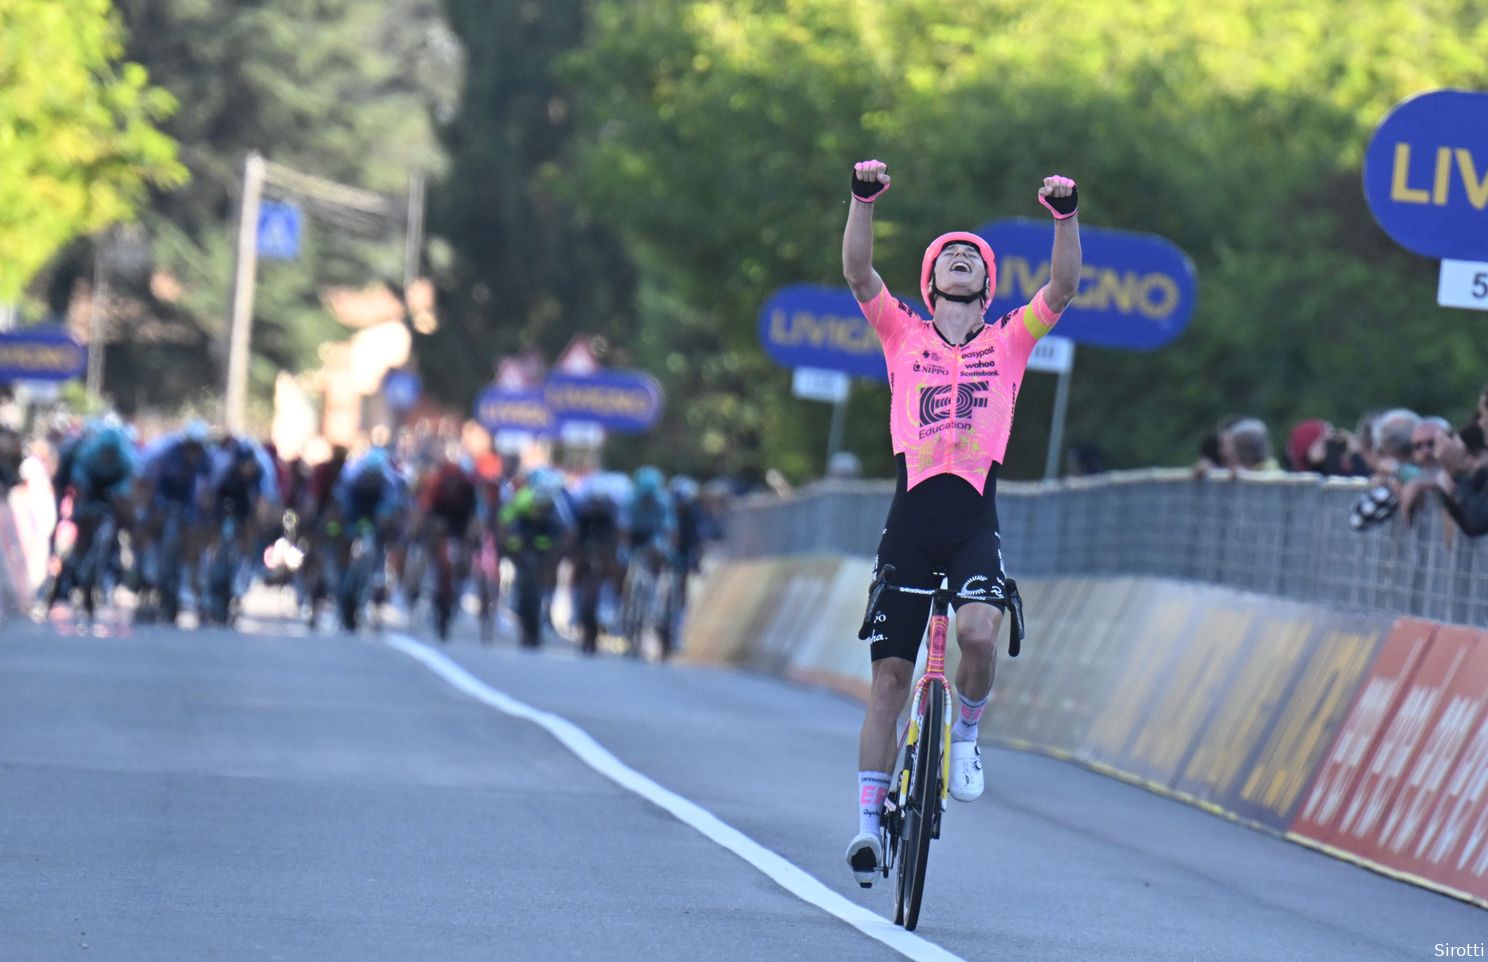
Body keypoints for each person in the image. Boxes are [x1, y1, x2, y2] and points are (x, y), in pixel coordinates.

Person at [840, 158, 1082, 884]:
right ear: (929, 279)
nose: (958, 257)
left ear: (986, 281)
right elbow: (857, 272)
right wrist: (863, 202)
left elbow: (1064, 286)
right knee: (889, 681)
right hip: (909, 523)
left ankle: (967, 738)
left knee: (980, 631)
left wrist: (1065, 217)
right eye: (947, 254)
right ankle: (866, 829)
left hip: (973, 518)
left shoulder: (1009, 340)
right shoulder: (900, 334)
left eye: (970, 256)